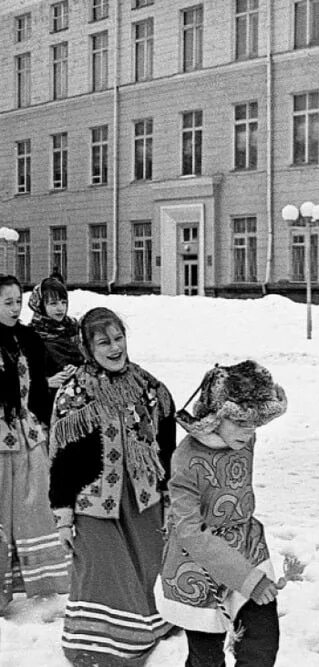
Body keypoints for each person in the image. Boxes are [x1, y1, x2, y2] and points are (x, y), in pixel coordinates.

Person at [48, 307, 176, 666]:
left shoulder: (148, 386)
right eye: (104, 342)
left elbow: (166, 440)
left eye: (119, 338)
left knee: (149, 568)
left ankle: (155, 627)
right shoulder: (75, 393)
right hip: (94, 503)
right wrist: (63, 515)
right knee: (104, 574)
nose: (115, 348)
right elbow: (62, 460)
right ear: (88, 347)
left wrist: (168, 490)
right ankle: (102, 649)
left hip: (143, 499)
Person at [158, 361, 288, 667]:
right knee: (206, 659)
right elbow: (189, 532)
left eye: (254, 423)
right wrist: (247, 579)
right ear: (215, 417)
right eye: (240, 422)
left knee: (262, 644)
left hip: (246, 548)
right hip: (196, 565)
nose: (249, 432)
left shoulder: (244, 439)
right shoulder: (186, 460)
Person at [0, 275, 70, 613]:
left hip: (29, 434)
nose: (15, 308)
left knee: (35, 507)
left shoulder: (28, 338)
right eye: (7, 302)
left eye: (17, 301)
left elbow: (39, 389)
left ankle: (41, 581)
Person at [27, 276, 84, 404]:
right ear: (40, 305)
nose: (60, 308)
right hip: (46, 406)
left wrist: (79, 370)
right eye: (53, 303)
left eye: (64, 302)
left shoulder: (74, 329)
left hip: (80, 402)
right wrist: (47, 382)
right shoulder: (29, 337)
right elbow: (18, 380)